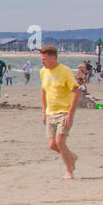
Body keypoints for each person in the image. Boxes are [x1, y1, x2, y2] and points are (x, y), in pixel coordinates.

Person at [39, 45, 79, 178]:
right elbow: (44, 92)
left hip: (64, 111)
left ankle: (69, 171)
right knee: (52, 145)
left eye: (44, 58)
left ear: (53, 57)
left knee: (60, 141)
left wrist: (70, 114)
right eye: (41, 58)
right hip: (50, 112)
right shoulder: (43, 72)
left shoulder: (65, 71)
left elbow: (76, 92)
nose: (42, 61)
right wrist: (44, 112)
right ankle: (71, 156)